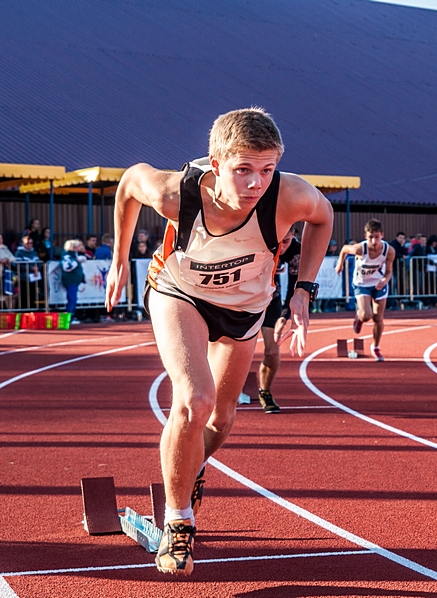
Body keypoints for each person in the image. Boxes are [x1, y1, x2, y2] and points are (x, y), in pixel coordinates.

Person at [104, 108, 333, 576]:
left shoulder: (290, 195)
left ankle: (189, 467)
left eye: (266, 170)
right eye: (243, 170)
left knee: (222, 419)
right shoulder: (177, 194)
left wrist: (305, 289)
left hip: (245, 308)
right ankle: (177, 521)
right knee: (194, 400)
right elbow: (129, 182)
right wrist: (119, 257)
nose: (255, 184)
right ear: (215, 162)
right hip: (179, 293)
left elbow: (324, 219)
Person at [246, 225, 301, 413]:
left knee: (272, 351)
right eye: (279, 241)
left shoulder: (295, 250)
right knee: (240, 352)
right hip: (245, 300)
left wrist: (284, 316)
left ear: (293, 235)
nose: (282, 246)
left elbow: (294, 286)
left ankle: (265, 391)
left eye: (287, 241)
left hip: (271, 300)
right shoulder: (259, 243)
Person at [335, 219, 394, 361]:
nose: (374, 241)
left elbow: (389, 272)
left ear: (382, 235)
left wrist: (385, 280)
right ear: (366, 236)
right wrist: (340, 264)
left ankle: (375, 347)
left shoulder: (389, 251)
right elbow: (344, 249)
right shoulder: (360, 249)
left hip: (379, 284)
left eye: (377, 237)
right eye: (370, 237)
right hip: (361, 283)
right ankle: (359, 317)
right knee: (366, 316)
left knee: (378, 318)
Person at [60, 239, 85, 324]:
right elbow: (66, 267)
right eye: (77, 246)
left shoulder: (74, 255)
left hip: (75, 280)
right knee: (72, 299)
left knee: (73, 299)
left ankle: (71, 317)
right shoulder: (66, 255)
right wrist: (76, 261)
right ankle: (69, 318)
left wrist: (82, 277)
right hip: (70, 280)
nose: (79, 247)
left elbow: (79, 269)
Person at [15, 234, 43, 310]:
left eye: (31, 243)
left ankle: (31, 312)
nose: (30, 245)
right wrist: (31, 268)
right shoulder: (19, 253)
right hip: (24, 278)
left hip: (33, 278)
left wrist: (37, 268)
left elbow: (39, 263)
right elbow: (18, 265)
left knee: (32, 295)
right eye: (28, 243)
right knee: (24, 296)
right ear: (23, 243)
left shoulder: (34, 253)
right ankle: (22, 312)